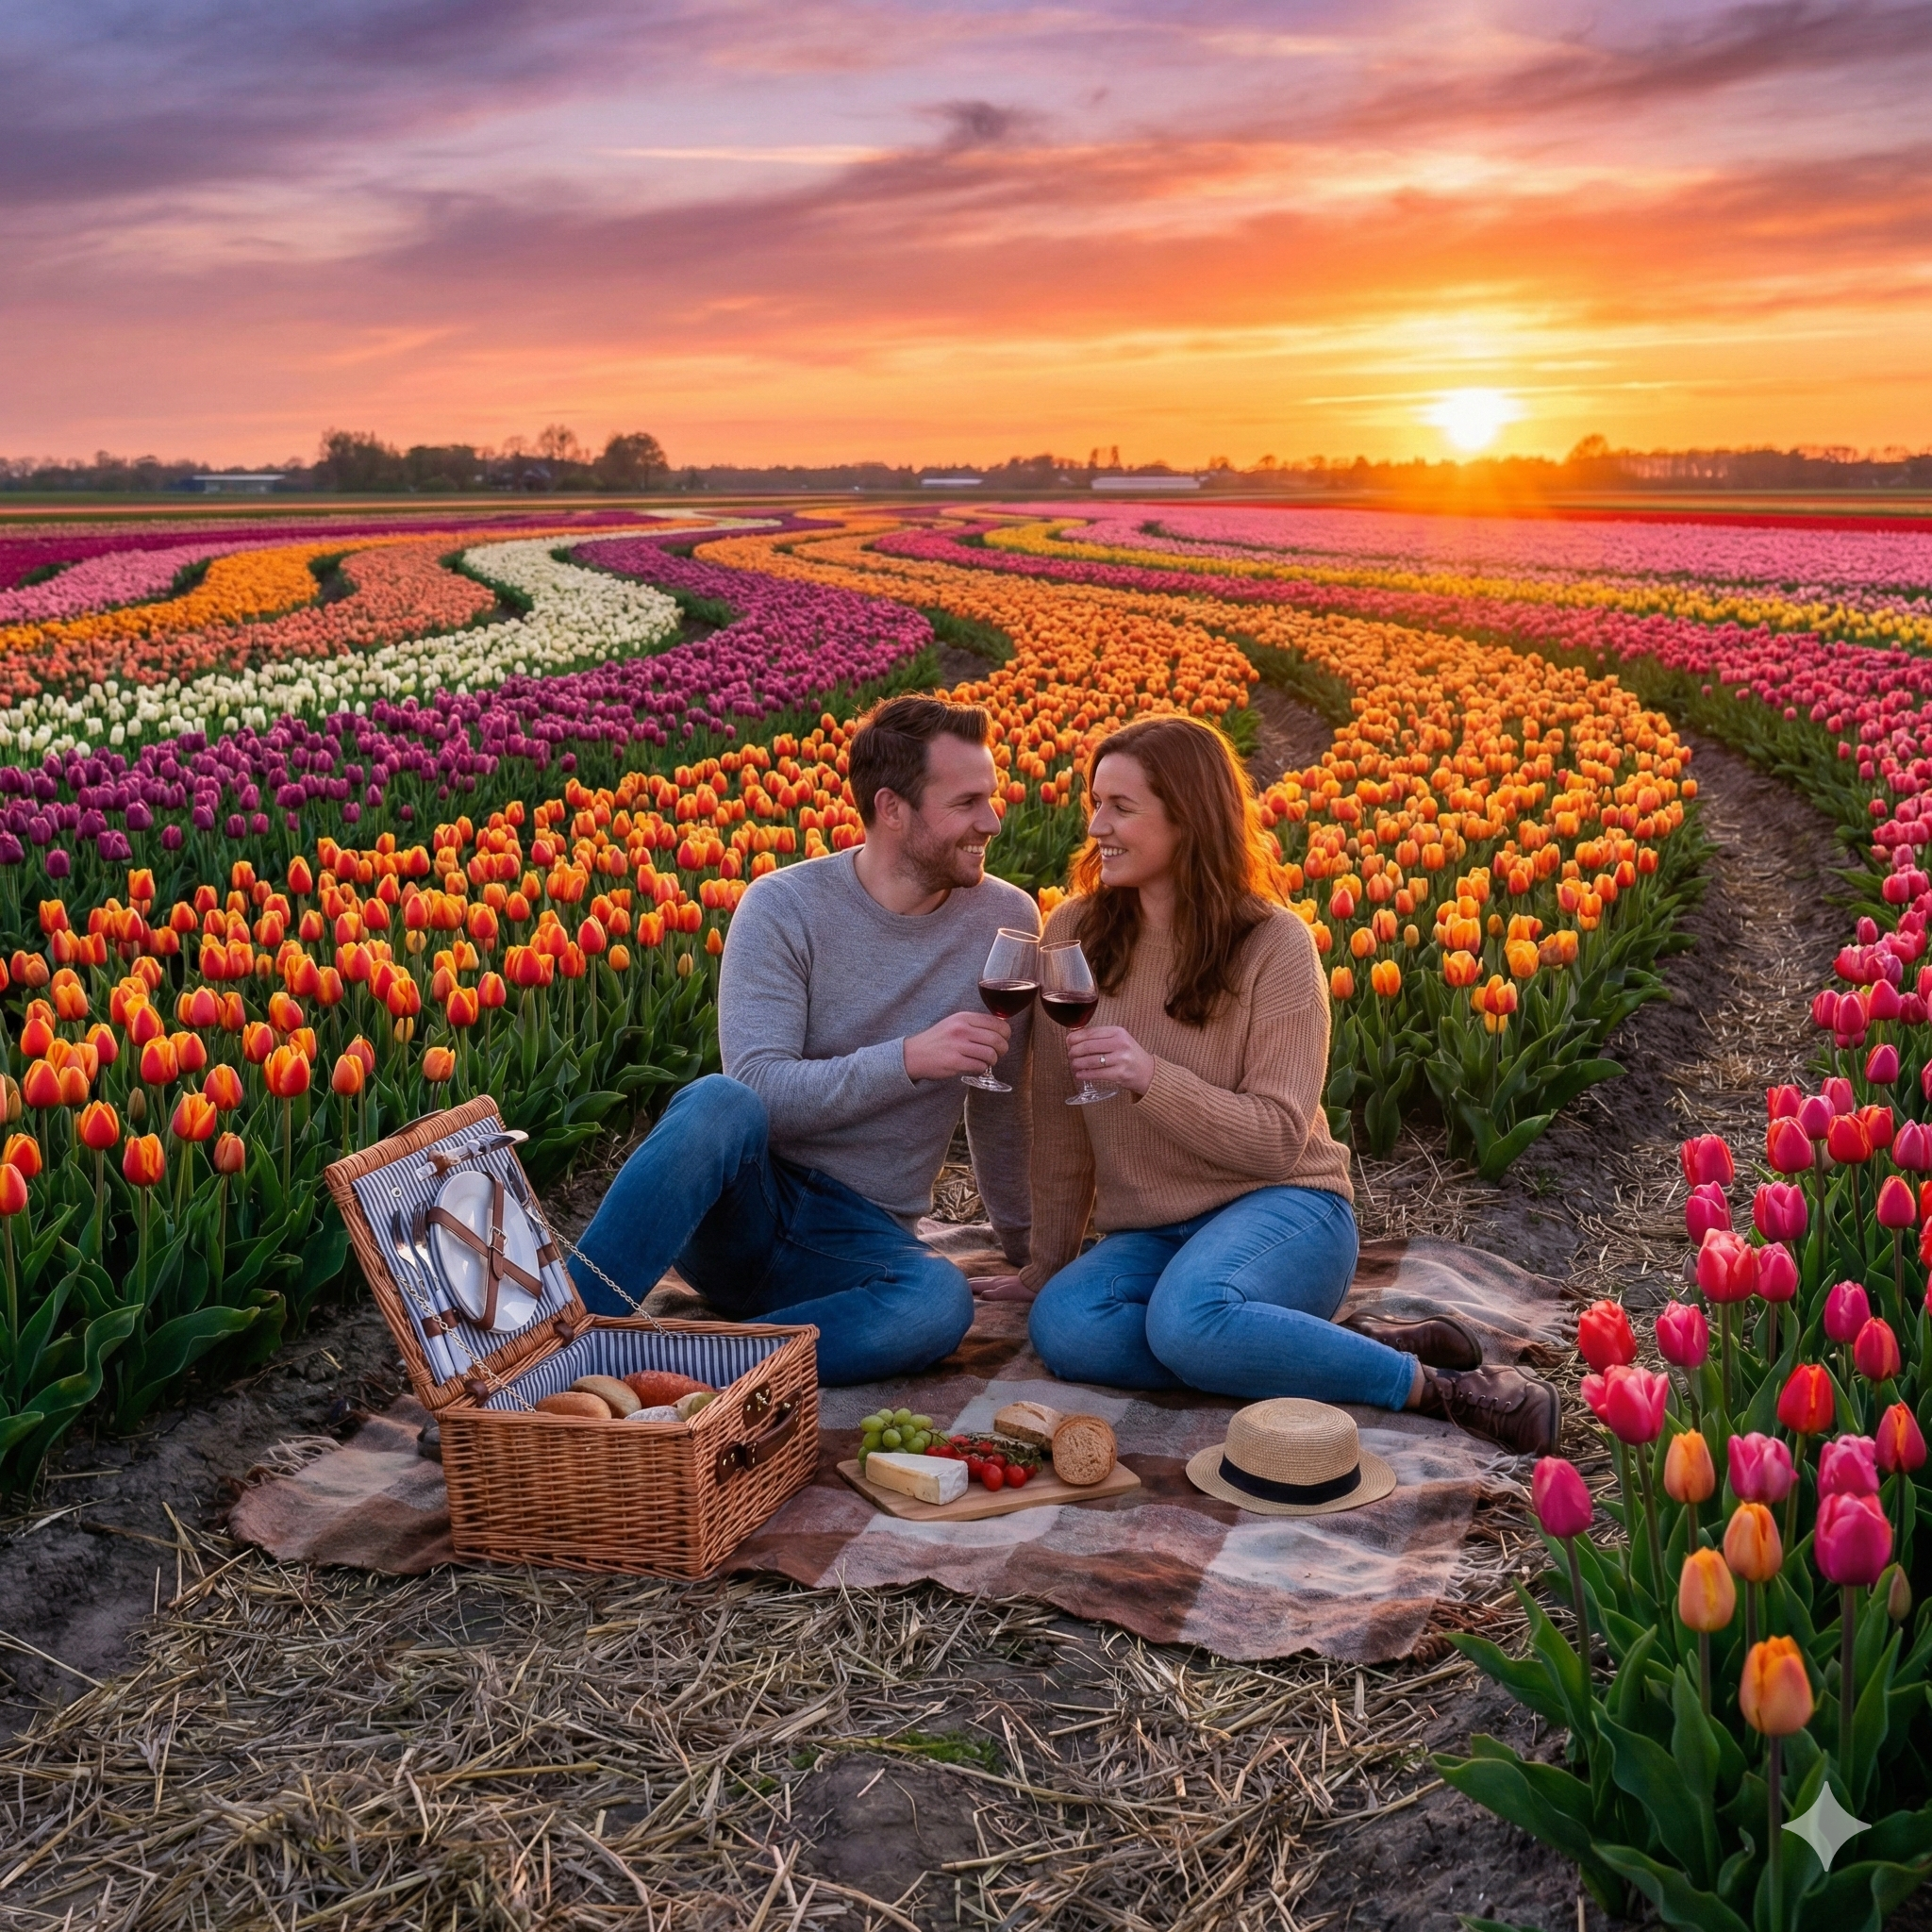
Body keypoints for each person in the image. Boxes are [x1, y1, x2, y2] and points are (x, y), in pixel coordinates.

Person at [1004, 713, 1558, 1456]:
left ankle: (1440, 1387)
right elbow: (1059, 1120)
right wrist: (1046, 1260)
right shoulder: (1074, 930)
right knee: (1066, 1327)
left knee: (1187, 1321)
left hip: (1287, 1210)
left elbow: (1274, 1140)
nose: (1097, 825)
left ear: (1188, 817)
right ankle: (1307, 1344)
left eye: (1121, 807)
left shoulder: (1274, 944)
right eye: (1095, 803)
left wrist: (1150, 1076)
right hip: (1153, 1234)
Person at [570, 694, 1039, 1384]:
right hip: (748, 1211)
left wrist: (1029, 1253)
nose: (991, 822)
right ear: (893, 808)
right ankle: (550, 1347)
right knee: (717, 1101)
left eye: (990, 799)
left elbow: (1003, 1110)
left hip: (860, 1242)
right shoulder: (784, 906)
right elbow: (760, 1091)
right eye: (968, 802)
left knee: (938, 1301)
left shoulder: (1003, 919)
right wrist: (908, 1060)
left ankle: (671, 1368)